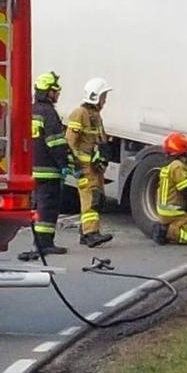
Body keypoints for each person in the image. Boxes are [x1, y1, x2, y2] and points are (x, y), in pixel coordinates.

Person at [19, 71, 69, 262]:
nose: (56, 95)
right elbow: (55, 143)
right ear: (47, 92)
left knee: (40, 205)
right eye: (54, 91)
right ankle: (44, 244)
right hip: (48, 170)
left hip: (32, 168)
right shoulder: (49, 113)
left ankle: (40, 242)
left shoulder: (30, 110)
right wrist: (64, 163)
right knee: (48, 208)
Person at [66, 77, 114, 248]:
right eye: (103, 97)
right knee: (90, 199)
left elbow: (98, 139)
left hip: (95, 167)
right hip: (85, 167)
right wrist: (75, 165)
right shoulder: (80, 114)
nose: (105, 101)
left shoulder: (95, 115)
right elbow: (70, 142)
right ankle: (90, 233)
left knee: (98, 198)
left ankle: (86, 232)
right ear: (95, 96)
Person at [154, 133, 187, 245]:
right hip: (173, 210)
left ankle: (166, 226)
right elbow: (184, 190)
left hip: (164, 210)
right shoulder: (178, 166)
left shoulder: (167, 166)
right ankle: (168, 232)